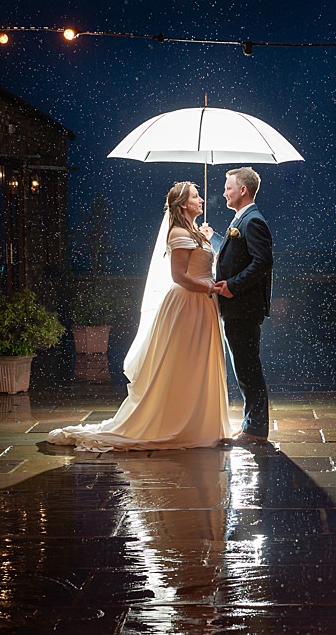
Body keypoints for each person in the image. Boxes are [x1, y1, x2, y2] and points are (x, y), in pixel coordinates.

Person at [46, 181, 231, 451]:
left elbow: (202, 264)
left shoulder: (194, 232)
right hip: (189, 304)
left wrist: (206, 237)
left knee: (199, 361)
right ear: (183, 205)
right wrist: (210, 287)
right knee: (185, 362)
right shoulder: (178, 233)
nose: (201, 199)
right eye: (196, 196)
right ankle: (179, 421)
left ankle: (201, 419)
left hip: (203, 305)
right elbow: (179, 276)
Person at [215, 166, 273, 446]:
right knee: (244, 366)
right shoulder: (242, 219)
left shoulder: (253, 221)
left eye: (228, 187)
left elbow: (262, 262)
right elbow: (235, 255)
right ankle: (251, 424)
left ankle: (256, 430)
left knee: (248, 368)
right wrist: (214, 236)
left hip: (243, 308)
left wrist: (231, 286)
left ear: (243, 190)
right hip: (237, 308)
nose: (224, 192)